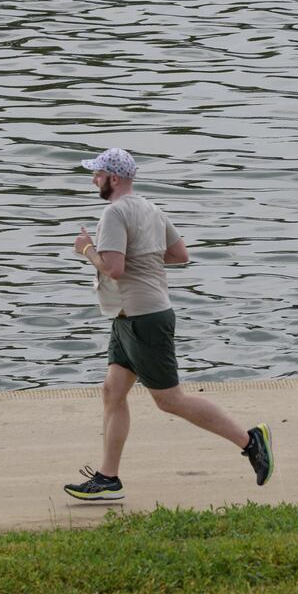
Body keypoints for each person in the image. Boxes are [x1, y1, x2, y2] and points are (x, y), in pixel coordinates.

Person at [62, 147, 274, 501]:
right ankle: (108, 478)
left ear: (114, 178)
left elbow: (113, 269)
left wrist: (86, 249)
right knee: (113, 392)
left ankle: (250, 441)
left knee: (170, 400)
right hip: (127, 317)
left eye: (97, 174)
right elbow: (180, 255)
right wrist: (142, 257)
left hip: (144, 318)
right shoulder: (151, 209)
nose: (93, 179)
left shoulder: (113, 214)